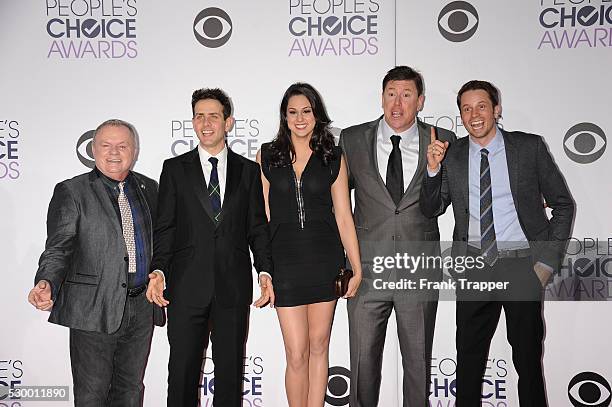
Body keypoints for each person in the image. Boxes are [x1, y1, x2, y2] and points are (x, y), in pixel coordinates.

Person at [421, 80, 574, 406]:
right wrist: (432, 171)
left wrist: (547, 262)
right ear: (460, 114)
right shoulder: (453, 154)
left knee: (528, 361)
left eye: (481, 106)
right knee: (469, 364)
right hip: (474, 265)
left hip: (523, 266)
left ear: (496, 109)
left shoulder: (528, 148)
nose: (474, 115)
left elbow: (563, 203)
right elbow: (432, 207)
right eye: (466, 108)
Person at [146, 88, 274, 407]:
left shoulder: (249, 171)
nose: (206, 123)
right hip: (186, 287)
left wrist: (266, 270)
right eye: (199, 116)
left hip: (232, 288)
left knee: (230, 377)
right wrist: (159, 269)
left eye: (213, 116)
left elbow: (257, 227)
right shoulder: (174, 169)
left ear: (228, 122)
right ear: (192, 121)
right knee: (182, 374)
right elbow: (166, 229)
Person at [339, 66, 456, 406]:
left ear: (420, 101)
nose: (397, 103)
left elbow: (439, 205)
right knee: (362, 363)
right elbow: (335, 203)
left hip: (418, 271)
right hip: (366, 272)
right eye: (391, 94)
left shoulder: (443, 139)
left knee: (418, 364)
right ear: (382, 97)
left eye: (407, 95)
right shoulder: (352, 139)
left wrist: (434, 170)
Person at [28, 119, 161, 406]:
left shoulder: (150, 188)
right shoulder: (72, 191)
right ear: (93, 149)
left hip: (141, 307)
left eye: (122, 145)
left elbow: (162, 245)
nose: (114, 152)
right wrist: (46, 281)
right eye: (106, 145)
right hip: (93, 307)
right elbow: (58, 248)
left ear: (134, 150)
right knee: (91, 395)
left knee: (130, 390)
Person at [256, 82, 362, 407]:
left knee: (319, 346)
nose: (300, 119)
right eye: (292, 112)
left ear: (316, 115)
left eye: (306, 111)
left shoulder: (333, 156)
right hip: (285, 265)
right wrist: (265, 270)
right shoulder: (267, 155)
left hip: (325, 261)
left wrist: (355, 268)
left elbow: (344, 216)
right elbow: (264, 219)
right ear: (284, 117)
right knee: (296, 352)